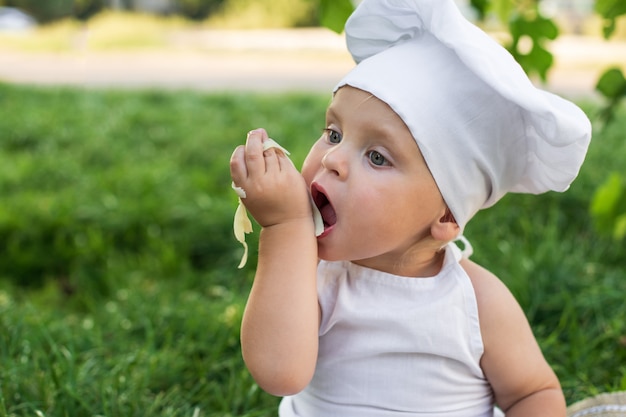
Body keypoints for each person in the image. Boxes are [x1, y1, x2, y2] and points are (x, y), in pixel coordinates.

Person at [229, 0, 591, 415]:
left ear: (446, 217)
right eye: (333, 133)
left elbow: (532, 392)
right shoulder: (310, 277)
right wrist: (283, 228)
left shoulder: (478, 301)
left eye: (377, 157)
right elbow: (279, 373)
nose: (332, 159)